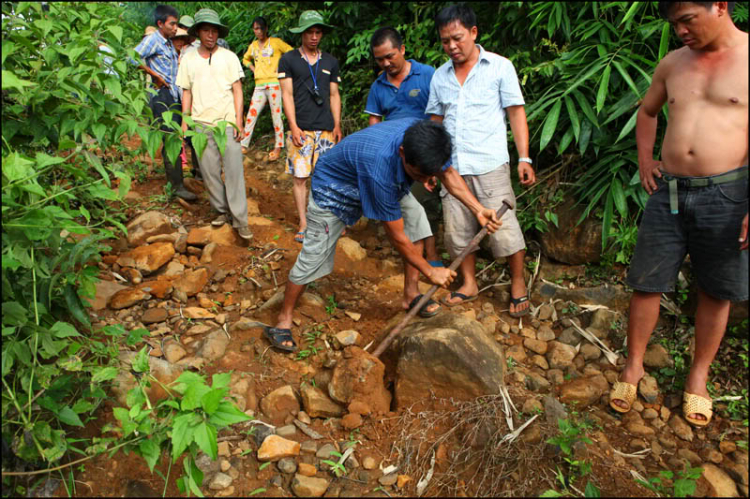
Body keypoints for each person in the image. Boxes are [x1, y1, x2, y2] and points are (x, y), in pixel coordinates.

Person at [609, 1, 747, 428]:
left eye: (688, 20)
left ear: (719, 6)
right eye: (675, 25)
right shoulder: (673, 63)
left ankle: (698, 378)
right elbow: (647, 112)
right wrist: (645, 160)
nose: (681, 31)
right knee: (646, 282)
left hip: (727, 194)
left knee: (716, 290)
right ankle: (633, 367)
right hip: (667, 191)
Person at [263, 119, 501, 351]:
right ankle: (283, 320)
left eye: (429, 174)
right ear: (401, 153)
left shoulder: (427, 138)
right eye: (418, 175)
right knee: (314, 256)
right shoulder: (380, 168)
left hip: (376, 177)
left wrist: (478, 210)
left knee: (415, 218)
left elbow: (447, 173)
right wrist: (430, 271)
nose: (425, 181)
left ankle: (411, 295)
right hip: (334, 190)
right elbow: (397, 238)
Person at [426, 4, 535, 316]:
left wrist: (523, 158)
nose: (452, 46)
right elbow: (435, 121)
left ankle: (517, 282)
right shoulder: (440, 76)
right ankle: (469, 282)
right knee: (457, 233)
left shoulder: (500, 67)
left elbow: (516, 113)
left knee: (505, 229)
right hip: (452, 167)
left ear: (474, 33)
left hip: (491, 163)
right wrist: (433, 164)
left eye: (457, 38)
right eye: (445, 41)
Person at [365, 26, 443, 268]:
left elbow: (439, 114)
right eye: (380, 60)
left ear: (402, 49)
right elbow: (374, 122)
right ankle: (420, 257)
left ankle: (430, 255)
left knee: (424, 204)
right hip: (395, 157)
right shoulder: (378, 86)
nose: (386, 63)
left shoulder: (427, 75)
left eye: (390, 56)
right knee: (409, 204)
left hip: (426, 151)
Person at [177, 8, 253, 241]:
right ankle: (221, 211)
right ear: (198, 33)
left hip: (227, 123)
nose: (211, 35)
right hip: (201, 124)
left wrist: (239, 120)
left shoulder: (229, 57)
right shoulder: (188, 59)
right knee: (209, 172)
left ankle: (240, 220)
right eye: (206, 30)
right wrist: (184, 121)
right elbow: (186, 92)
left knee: (233, 170)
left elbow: (238, 90)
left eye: (214, 31)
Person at [278, 10, 343, 244]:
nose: (314, 37)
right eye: (309, 32)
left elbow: (334, 95)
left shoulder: (330, 62)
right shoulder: (288, 59)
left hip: (326, 129)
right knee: (300, 177)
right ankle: (304, 222)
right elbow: (286, 94)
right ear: (301, 34)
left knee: (326, 177)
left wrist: (337, 124)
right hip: (302, 129)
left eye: (318, 32)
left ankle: (329, 220)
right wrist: (293, 126)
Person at [133, 5, 197, 202]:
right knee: (171, 139)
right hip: (162, 96)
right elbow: (132, 57)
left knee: (177, 138)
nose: (175, 27)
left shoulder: (169, 42)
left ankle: (178, 182)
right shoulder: (154, 40)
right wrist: (154, 76)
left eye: (176, 23)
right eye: (172, 23)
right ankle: (176, 187)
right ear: (160, 24)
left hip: (173, 96)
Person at [240, 16, 294, 160]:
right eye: (256, 28)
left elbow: (291, 51)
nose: (258, 31)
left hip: (274, 84)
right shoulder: (253, 46)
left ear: (266, 29)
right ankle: (243, 144)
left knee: (276, 116)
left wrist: (281, 66)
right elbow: (245, 59)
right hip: (259, 85)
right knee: (251, 114)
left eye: (261, 28)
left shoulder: (275, 43)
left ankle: (278, 147)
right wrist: (253, 68)